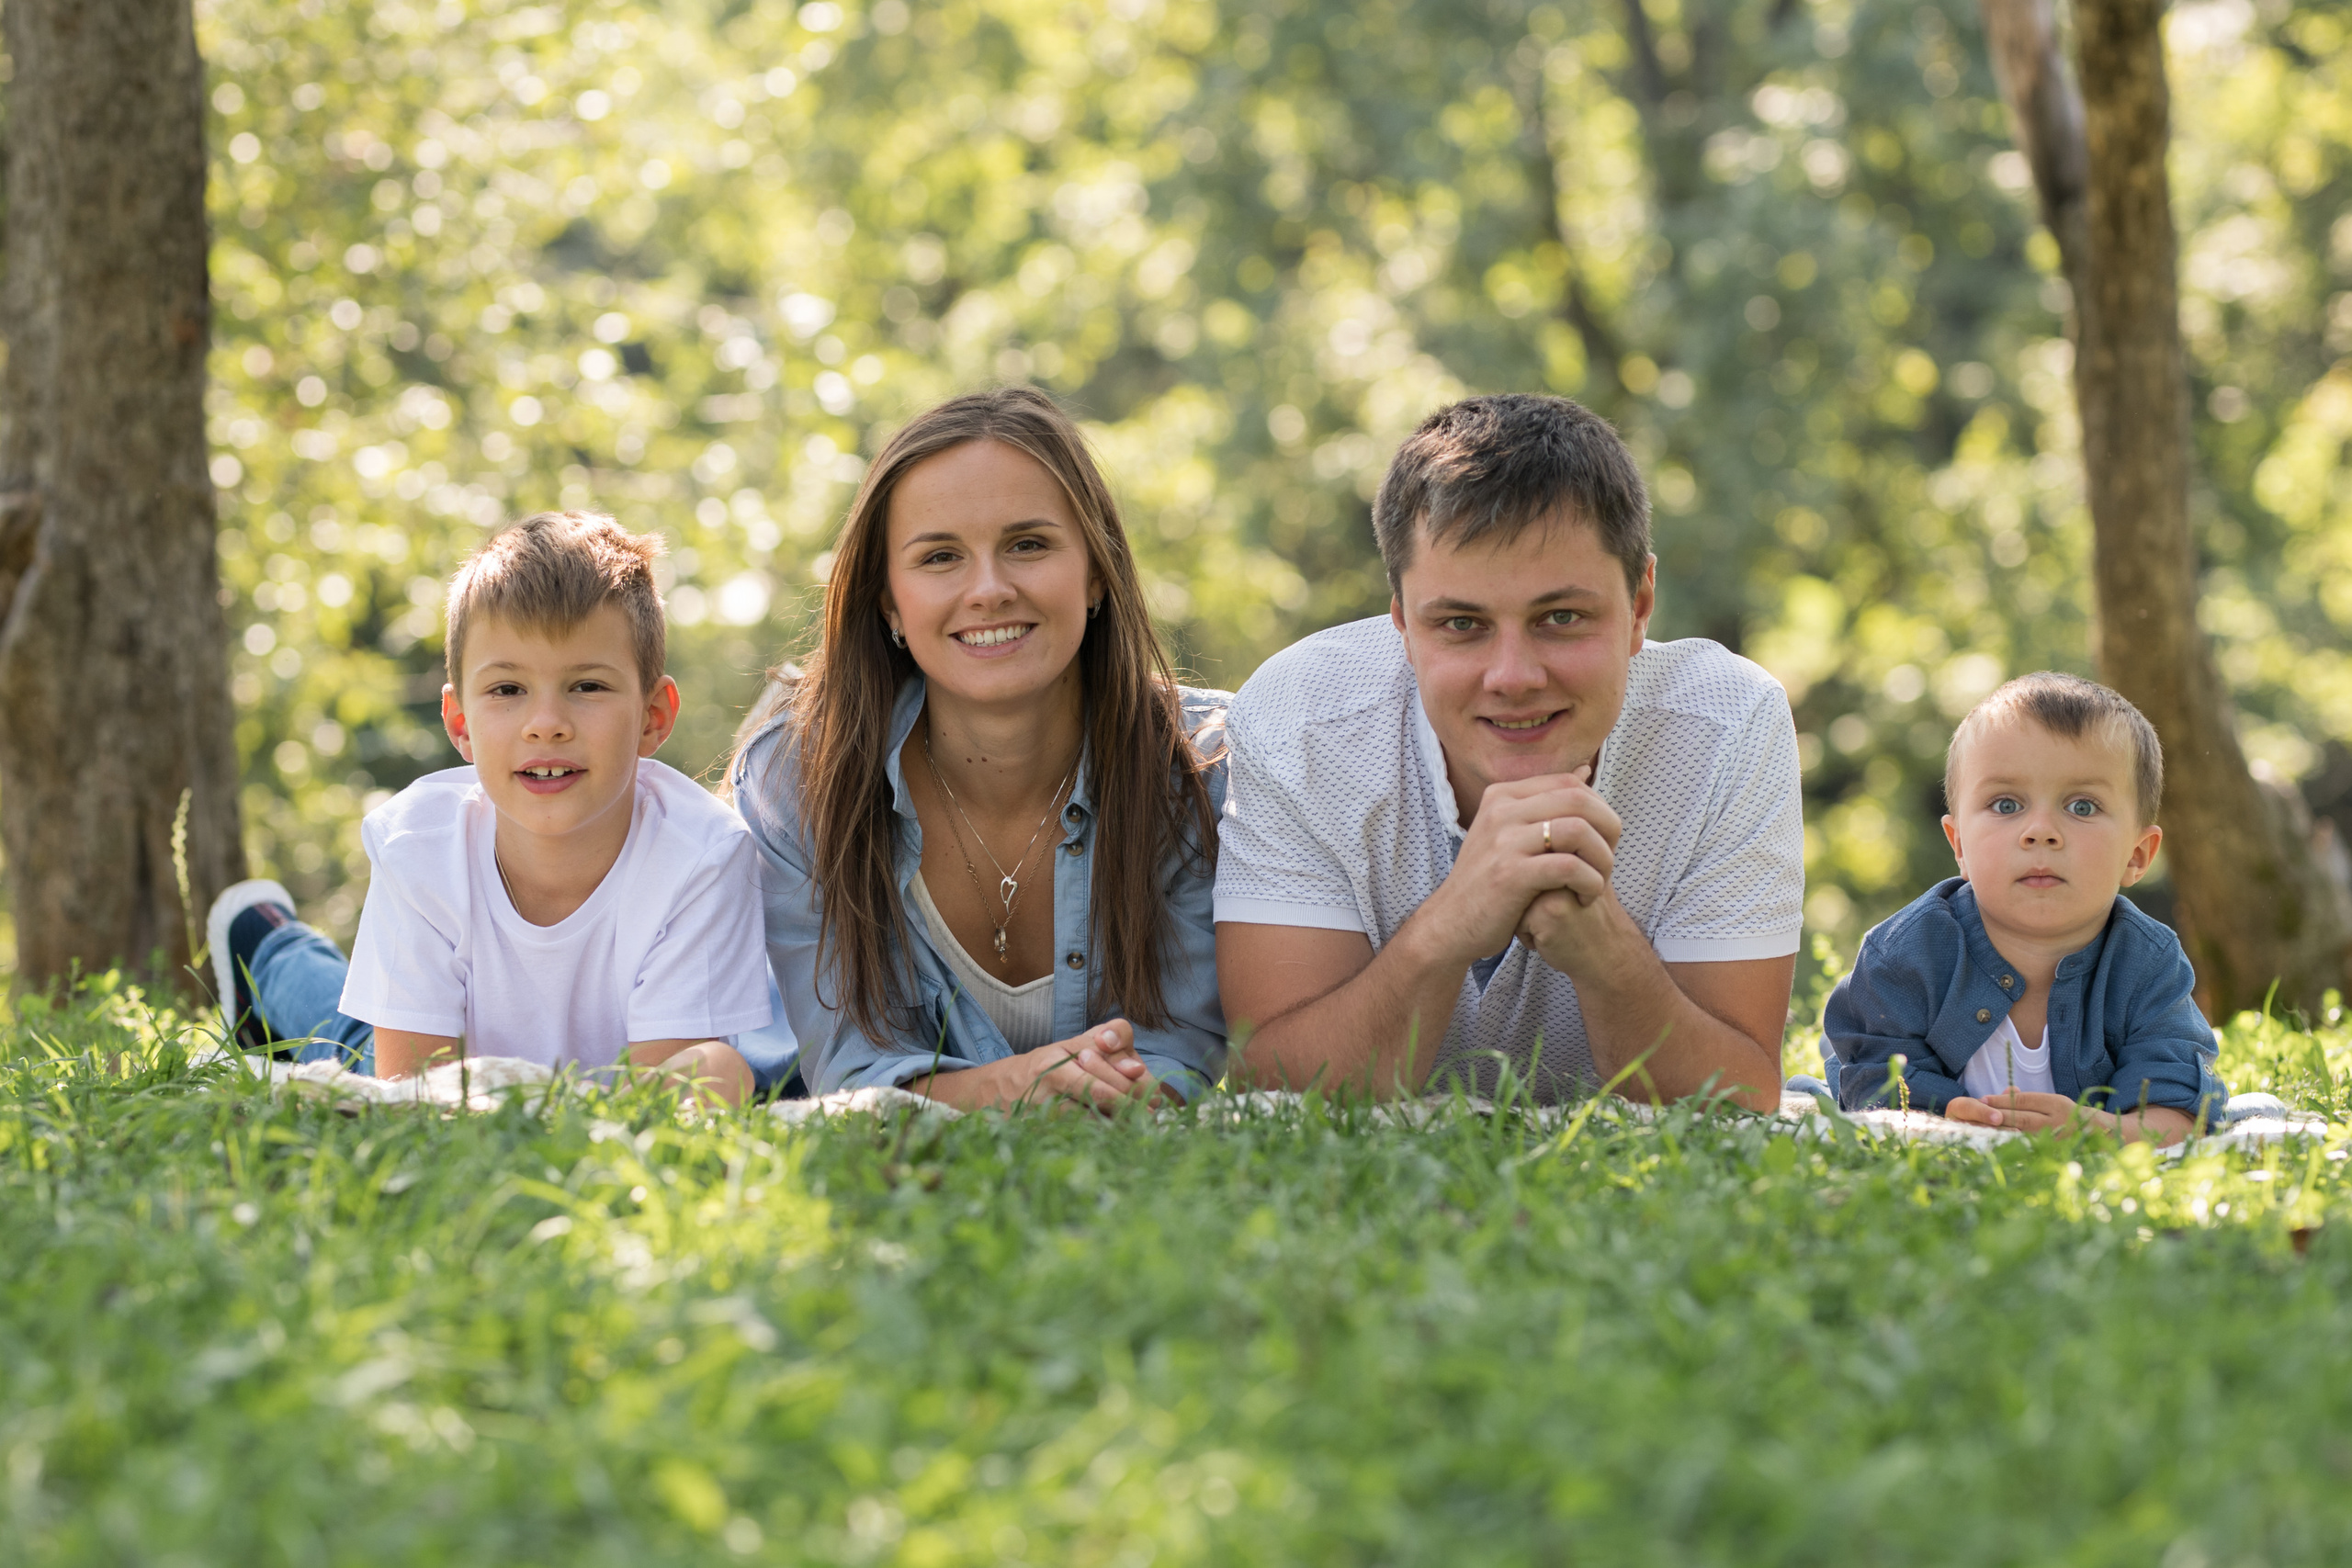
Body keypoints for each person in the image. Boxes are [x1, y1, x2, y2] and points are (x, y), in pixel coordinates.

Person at [1215, 393, 1804, 1109]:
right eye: (1462, 624)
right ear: (1400, 620)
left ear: (1640, 604)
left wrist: (1606, 955)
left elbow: (1739, 1098)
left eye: (1561, 617)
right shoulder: (1298, 719)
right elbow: (1270, 1083)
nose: (1514, 676)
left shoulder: (1730, 723)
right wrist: (1450, 925)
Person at [732, 387, 1227, 1111]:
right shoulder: (797, 776)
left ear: (1095, 571)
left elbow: (1179, 1059)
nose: (990, 590)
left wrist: (1078, 1090)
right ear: (889, 602)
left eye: (1027, 544)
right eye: (940, 557)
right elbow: (854, 1072)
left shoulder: (1204, 768)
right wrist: (1020, 1088)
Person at [205, 511, 772, 1105]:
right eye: (507, 689)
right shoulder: (419, 846)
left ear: (652, 716)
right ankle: (266, 944)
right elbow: (413, 1105)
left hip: (531, 1094)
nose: (546, 725)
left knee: (719, 1069)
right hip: (448, 1056)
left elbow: (656, 1112)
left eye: (587, 686)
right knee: (347, 1043)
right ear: (460, 723)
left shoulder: (701, 858)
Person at [1816, 673, 2245, 1144]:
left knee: (2247, 1113)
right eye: (2006, 804)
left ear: (2137, 855)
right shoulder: (1905, 953)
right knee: (1813, 1100)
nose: (2040, 831)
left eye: (2082, 807)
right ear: (1958, 843)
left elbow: (2178, 1114)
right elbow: (1870, 1083)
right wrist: (1938, 1117)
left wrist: (2097, 1131)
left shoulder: (2147, 964)